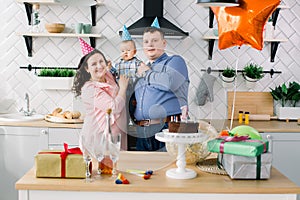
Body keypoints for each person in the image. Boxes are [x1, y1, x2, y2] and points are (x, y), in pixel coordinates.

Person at [133, 26, 190, 151]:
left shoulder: (175, 61)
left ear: (164, 43)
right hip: (142, 132)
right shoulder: (142, 69)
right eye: (146, 41)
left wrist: (146, 73)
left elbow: (169, 83)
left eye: (155, 40)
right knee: (143, 170)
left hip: (168, 128)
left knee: (169, 168)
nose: (150, 44)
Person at [73, 48, 129, 155]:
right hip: (99, 137)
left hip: (117, 136)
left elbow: (111, 71)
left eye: (101, 61)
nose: (99, 66)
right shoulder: (89, 89)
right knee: (100, 169)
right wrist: (123, 88)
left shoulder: (107, 76)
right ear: (87, 68)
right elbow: (113, 108)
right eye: (93, 64)